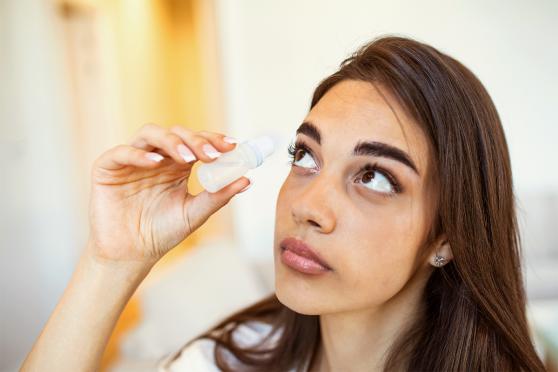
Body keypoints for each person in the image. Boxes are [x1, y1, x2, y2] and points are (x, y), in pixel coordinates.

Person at [21, 35, 546, 372]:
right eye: (306, 156)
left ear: (446, 237)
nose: (308, 205)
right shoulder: (219, 361)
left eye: (376, 177)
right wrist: (111, 262)